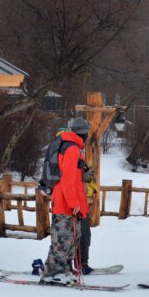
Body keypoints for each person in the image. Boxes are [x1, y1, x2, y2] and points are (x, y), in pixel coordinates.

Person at [39, 117, 90, 286]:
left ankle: (65, 270)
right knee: (63, 239)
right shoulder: (72, 149)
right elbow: (68, 178)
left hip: (67, 199)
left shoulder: (69, 146)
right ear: (84, 133)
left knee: (71, 238)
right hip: (65, 201)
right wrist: (75, 203)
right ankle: (53, 273)